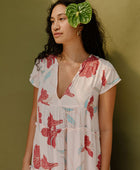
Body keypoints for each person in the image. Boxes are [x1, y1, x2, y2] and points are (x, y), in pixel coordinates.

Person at [22, 0, 121, 170]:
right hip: (44, 161)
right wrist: (26, 162)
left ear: (80, 24)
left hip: (85, 163)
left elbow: (105, 129)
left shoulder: (103, 71)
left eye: (61, 19)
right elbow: (34, 118)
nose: (55, 26)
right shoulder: (42, 67)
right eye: (52, 21)